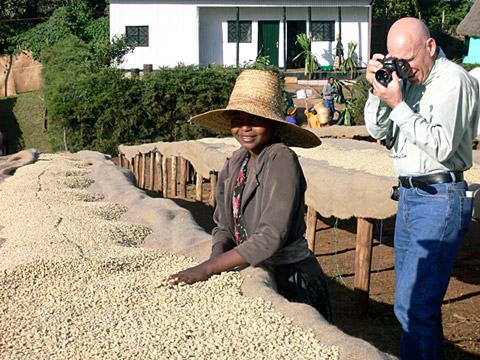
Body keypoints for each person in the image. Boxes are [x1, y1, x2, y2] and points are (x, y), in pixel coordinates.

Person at [168, 69, 332, 322]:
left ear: (272, 123)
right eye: (238, 119)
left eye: (255, 119)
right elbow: (223, 225)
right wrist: (217, 259)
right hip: (255, 266)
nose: (245, 127)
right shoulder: (236, 161)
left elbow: (270, 236)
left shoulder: (280, 158)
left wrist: (206, 269)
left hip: (289, 276)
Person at [364, 17, 479, 360]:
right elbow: (377, 130)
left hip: (439, 199)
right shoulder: (408, 80)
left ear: (430, 47)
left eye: (408, 59)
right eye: (396, 61)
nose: (404, 68)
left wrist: (399, 105)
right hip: (411, 197)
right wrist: (378, 88)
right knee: (410, 304)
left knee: (416, 306)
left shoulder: (452, 82)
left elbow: (442, 147)